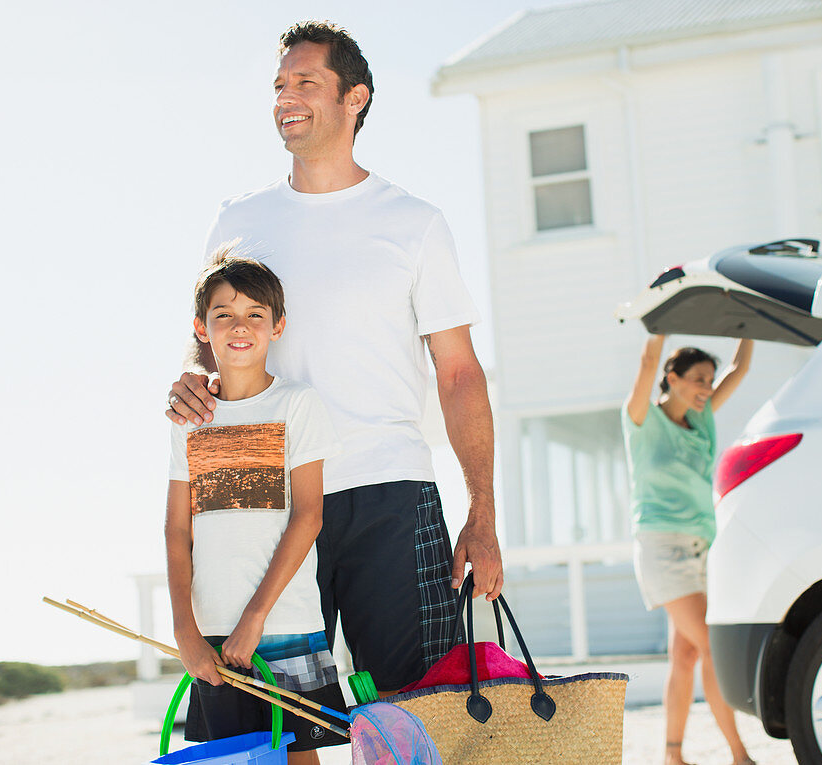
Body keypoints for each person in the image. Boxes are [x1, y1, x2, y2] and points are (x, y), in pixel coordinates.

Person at [166, 20, 502, 694]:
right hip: (254, 484)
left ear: (355, 98)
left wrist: (482, 512)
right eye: (280, 84)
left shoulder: (414, 223)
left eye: (306, 83)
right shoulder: (238, 218)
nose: (286, 97)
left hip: (388, 482)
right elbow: (205, 338)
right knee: (276, 712)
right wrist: (189, 379)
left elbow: (460, 374)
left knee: (414, 707)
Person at [166, 248, 347, 763]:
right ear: (202, 328)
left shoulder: (296, 404)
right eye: (223, 314)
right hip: (213, 632)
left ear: (278, 326)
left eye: (254, 315)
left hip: (285, 622)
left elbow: (308, 516)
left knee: (297, 756)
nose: (238, 326)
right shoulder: (190, 417)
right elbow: (177, 531)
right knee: (235, 758)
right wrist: (185, 631)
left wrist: (255, 617)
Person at [622, 334, 756, 765]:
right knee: (713, 646)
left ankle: (672, 757)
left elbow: (741, 370)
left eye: (710, 381)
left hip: (705, 549)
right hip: (663, 549)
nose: (706, 388)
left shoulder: (702, 419)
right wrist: (659, 328)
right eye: (698, 379)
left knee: (686, 654)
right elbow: (646, 362)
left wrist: (746, 323)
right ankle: (739, 754)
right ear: (672, 378)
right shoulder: (641, 418)